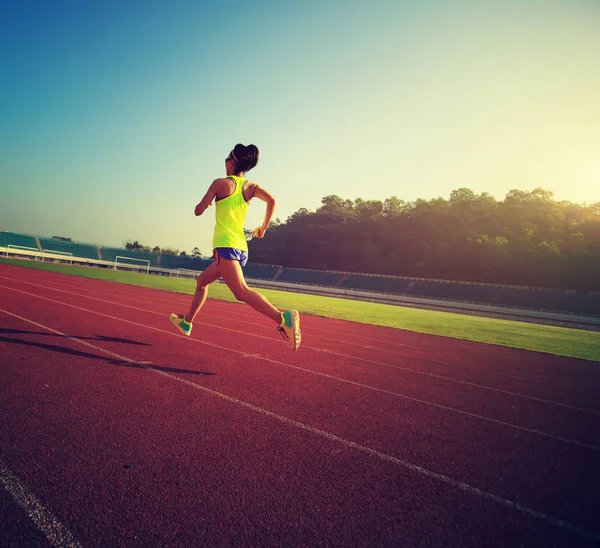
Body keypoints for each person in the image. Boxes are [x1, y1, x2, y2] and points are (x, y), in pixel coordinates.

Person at [169, 144, 301, 350]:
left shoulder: (220, 183)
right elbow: (272, 200)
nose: (224, 164)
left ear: (231, 161)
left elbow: (197, 210)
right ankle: (187, 321)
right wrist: (263, 227)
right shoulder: (251, 187)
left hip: (225, 245)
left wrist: (210, 202)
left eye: (225, 161)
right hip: (240, 247)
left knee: (240, 291)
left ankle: (283, 318)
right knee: (202, 281)